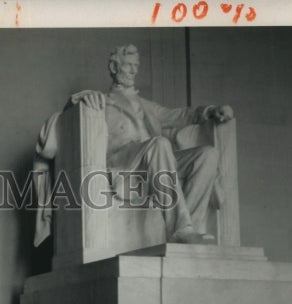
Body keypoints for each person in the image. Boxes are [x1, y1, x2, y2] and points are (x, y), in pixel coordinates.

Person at [99, 43, 234, 243]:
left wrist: (210, 111)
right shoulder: (101, 101)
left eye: (136, 65)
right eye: (128, 65)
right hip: (127, 163)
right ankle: (179, 228)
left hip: (156, 160)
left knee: (208, 155)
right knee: (160, 144)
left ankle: (188, 228)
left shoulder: (146, 105)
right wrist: (82, 100)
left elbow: (177, 115)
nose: (134, 70)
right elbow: (73, 106)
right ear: (113, 68)